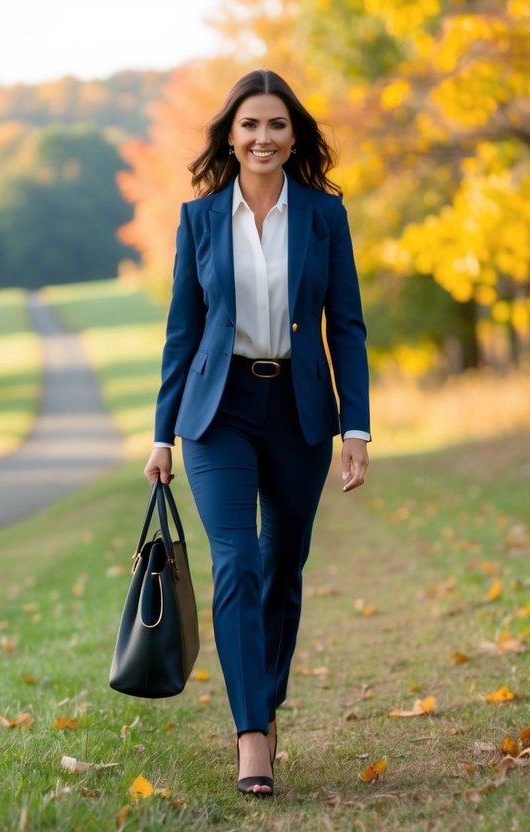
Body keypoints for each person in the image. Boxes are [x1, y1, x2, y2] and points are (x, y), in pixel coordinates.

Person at [144, 69, 371, 797]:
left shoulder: (325, 216)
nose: (263, 137)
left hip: (300, 411)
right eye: (249, 126)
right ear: (230, 136)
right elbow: (181, 332)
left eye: (276, 125)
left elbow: (348, 326)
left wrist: (356, 427)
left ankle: (265, 704)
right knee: (236, 560)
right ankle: (250, 735)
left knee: (283, 566)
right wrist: (161, 435)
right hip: (218, 411)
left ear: (293, 134)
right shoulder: (200, 218)